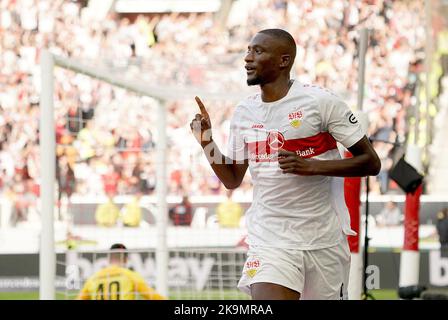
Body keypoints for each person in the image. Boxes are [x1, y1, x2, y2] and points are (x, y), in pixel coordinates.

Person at [190, 29, 381, 300]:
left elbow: (371, 162)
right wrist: (206, 141)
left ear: (284, 60)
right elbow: (232, 178)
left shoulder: (321, 102)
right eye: (248, 50)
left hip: (323, 241)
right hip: (270, 240)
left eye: (257, 51)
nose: (247, 58)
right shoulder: (244, 112)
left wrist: (312, 166)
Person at [77, 243, 166, 300]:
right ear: (126, 259)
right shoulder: (130, 276)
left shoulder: (93, 278)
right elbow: (152, 296)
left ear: (109, 258)